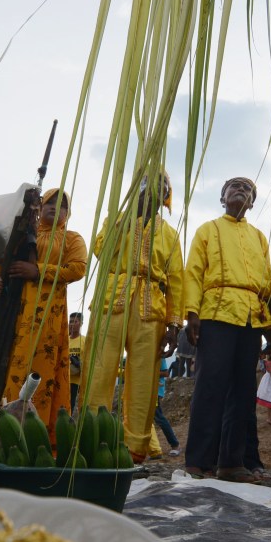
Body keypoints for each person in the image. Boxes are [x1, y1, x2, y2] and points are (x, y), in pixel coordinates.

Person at [0, 189, 87, 446]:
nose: (56, 208)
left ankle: (30, 440)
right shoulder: (22, 233)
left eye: (63, 206)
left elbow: (78, 268)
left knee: (35, 371)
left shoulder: (71, 239)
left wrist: (37, 270)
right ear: (41, 205)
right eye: (50, 203)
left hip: (45, 318)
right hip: (9, 313)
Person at [83, 172, 183, 463]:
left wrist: (175, 324)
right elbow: (102, 250)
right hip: (111, 301)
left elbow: (177, 280)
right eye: (148, 181)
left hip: (152, 311)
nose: (155, 188)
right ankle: (93, 440)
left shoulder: (171, 234)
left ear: (166, 194)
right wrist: (130, 215)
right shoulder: (116, 219)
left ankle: (135, 450)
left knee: (143, 382)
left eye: (162, 184)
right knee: (99, 372)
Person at [184, 177, 271, 483]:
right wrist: (192, 312)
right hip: (216, 313)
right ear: (222, 198)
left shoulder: (259, 238)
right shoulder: (207, 230)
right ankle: (199, 461)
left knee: (242, 391)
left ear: (251, 202)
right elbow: (194, 272)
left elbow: (267, 282)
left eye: (248, 189)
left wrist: (270, 325)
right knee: (210, 387)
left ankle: (231, 463)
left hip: (251, 317)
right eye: (234, 187)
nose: (242, 190)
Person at [147, 357, 181, 459]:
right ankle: (153, 450)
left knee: (158, 417)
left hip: (156, 391)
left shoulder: (159, 355)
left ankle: (175, 445)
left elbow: (166, 373)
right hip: (148, 389)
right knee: (147, 419)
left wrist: (147, 372)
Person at [68, 312, 86, 414]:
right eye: (70, 321)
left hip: (75, 381)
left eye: (75, 321)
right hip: (63, 379)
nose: (72, 324)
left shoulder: (84, 340)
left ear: (81, 323)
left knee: (70, 405)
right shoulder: (65, 340)